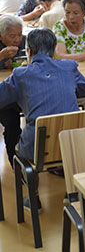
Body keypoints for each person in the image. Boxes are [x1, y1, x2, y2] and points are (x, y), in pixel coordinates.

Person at [0, 29, 85, 211]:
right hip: (70, 143)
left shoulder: (21, 74)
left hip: (37, 148)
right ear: (54, 50)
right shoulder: (69, 67)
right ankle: (71, 195)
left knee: (18, 147)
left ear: (29, 52)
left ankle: (34, 198)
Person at [0, 14, 26, 167]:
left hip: (21, 90)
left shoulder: (25, 41)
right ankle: (17, 165)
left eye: (19, 34)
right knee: (11, 122)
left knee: (41, 113)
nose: (17, 39)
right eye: (12, 36)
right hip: (3, 96)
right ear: (1, 36)